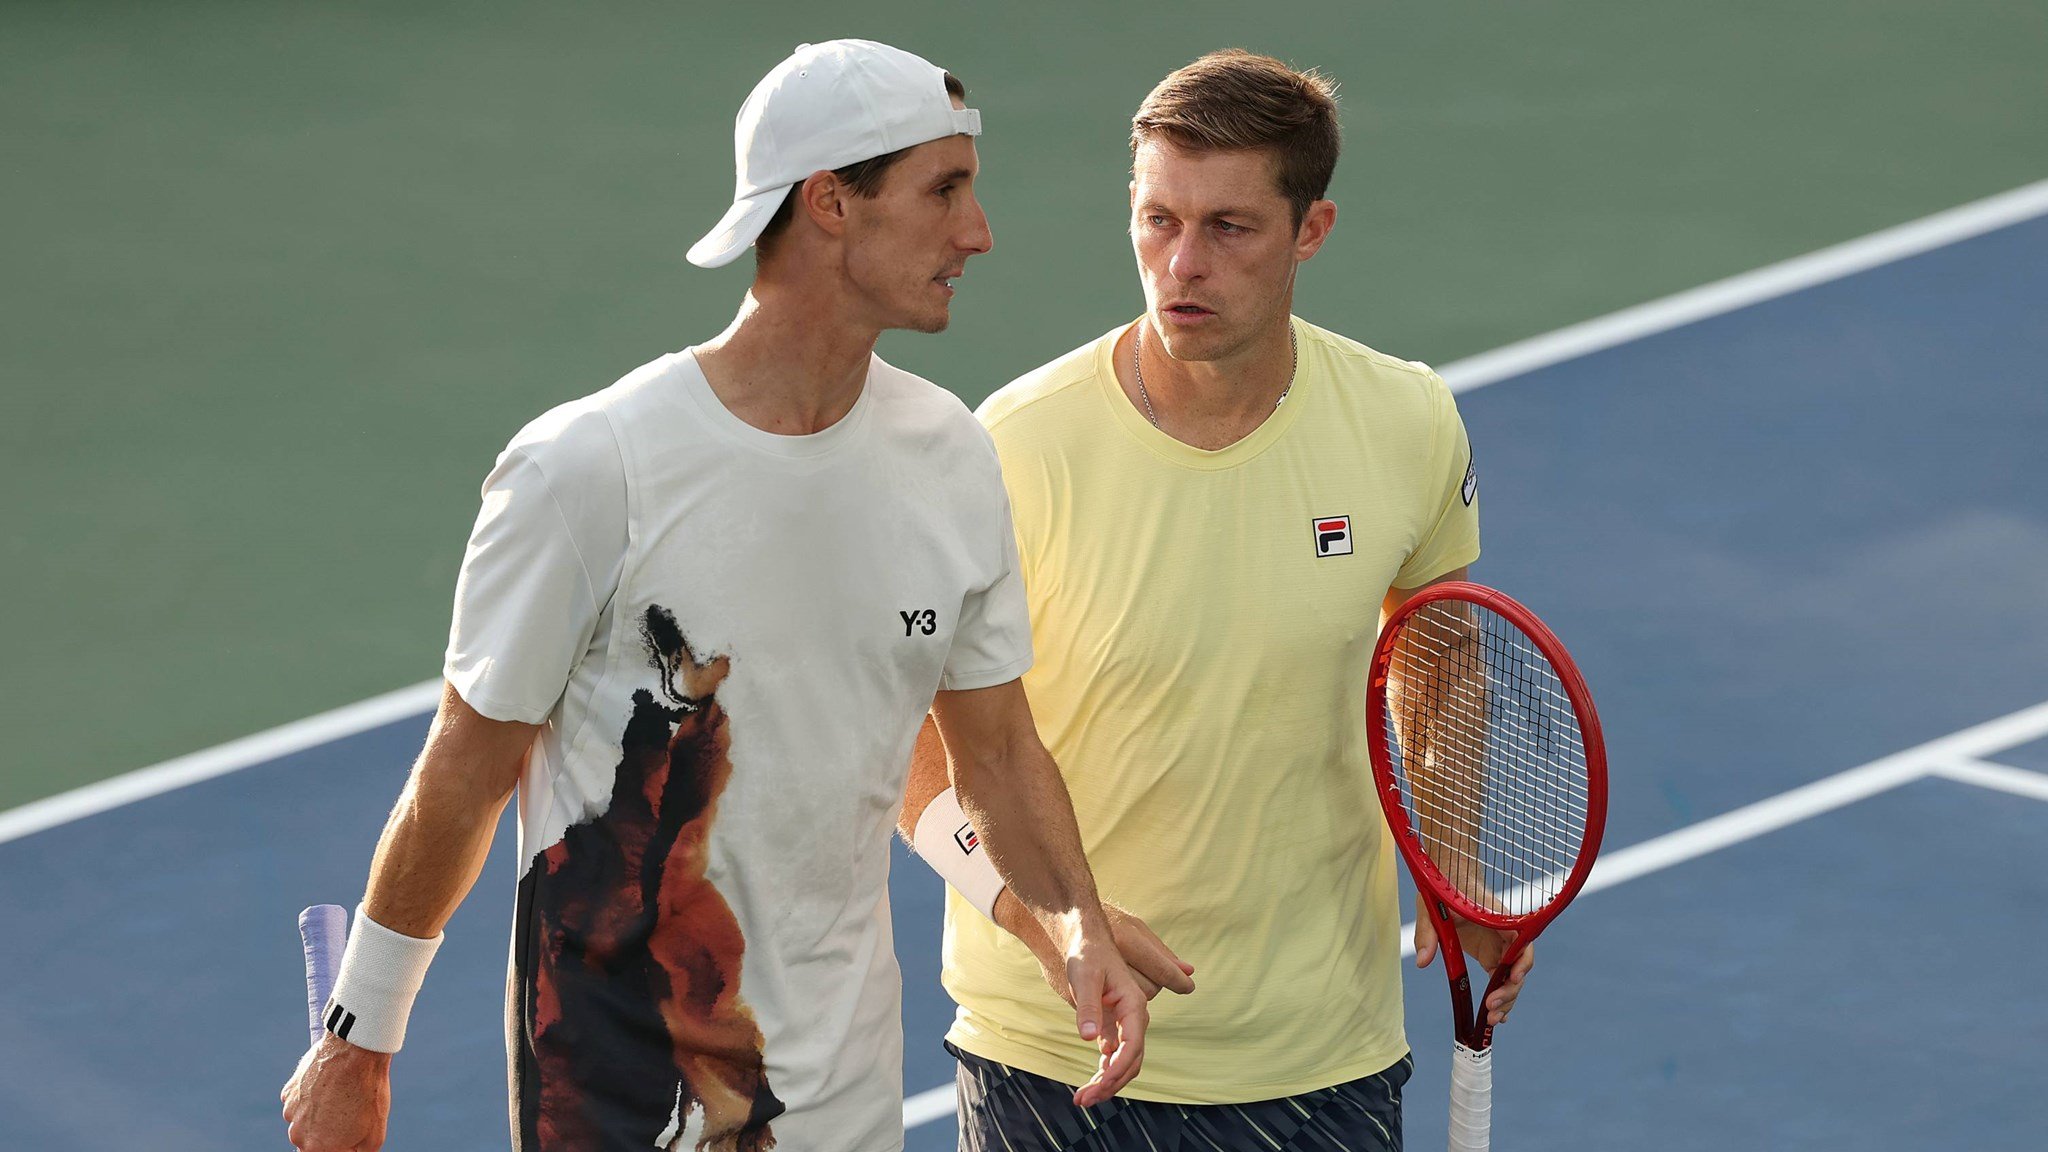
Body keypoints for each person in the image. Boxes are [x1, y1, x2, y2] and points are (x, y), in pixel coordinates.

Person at [280, 39, 1152, 1152]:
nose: (975, 232)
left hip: (841, 1091)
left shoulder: (948, 456)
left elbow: (996, 754)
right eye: (944, 191)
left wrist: (1072, 923)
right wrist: (360, 1036)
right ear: (830, 203)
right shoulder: (590, 469)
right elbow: (465, 768)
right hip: (618, 1097)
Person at [901, 50, 1534, 1150]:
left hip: (1317, 1052)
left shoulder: (1407, 422)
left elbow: (1433, 657)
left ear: (1312, 230)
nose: (1180, 264)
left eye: (1229, 228)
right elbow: (905, 748)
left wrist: (1453, 863)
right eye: (1156, 219)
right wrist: (1053, 925)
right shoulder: (1008, 446)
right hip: (1054, 1056)